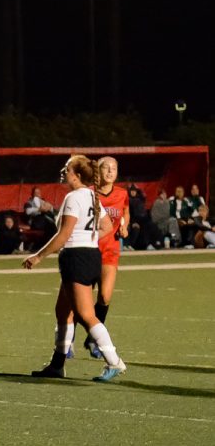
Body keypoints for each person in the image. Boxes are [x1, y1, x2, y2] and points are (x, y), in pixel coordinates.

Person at [22, 155, 127, 383]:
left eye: (67, 168)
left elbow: (64, 234)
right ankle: (57, 364)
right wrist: (89, 239)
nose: (63, 171)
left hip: (77, 258)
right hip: (88, 255)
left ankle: (114, 361)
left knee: (85, 315)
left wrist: (39, 256)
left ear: (77, 175)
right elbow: (108, 226)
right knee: (63, 311)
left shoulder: (74, 197)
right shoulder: (92, 195)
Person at [75, 156, 129, 359]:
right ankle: (65, 341)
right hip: (89, 250)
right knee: (79, 302)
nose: (110, 171)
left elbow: (125, 212)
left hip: (110, 251)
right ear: (98, 171)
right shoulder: (88, 193)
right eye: (106, 167)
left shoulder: (122, 193)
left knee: (104, 297)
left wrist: (124, 226)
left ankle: (93, 339)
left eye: (114, 168)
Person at [125, 183, 153, 250]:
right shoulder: (128, 200)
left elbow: (143, 196)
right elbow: (129, 213)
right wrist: (133, 222)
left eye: (134, 191)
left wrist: (138, 189)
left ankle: (148, 244)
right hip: (133, 219)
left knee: (149, 225)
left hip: (141, 219)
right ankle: (130, 245)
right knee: (138, 227)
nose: (133, 192)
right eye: (132, 191)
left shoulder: (140, 199)